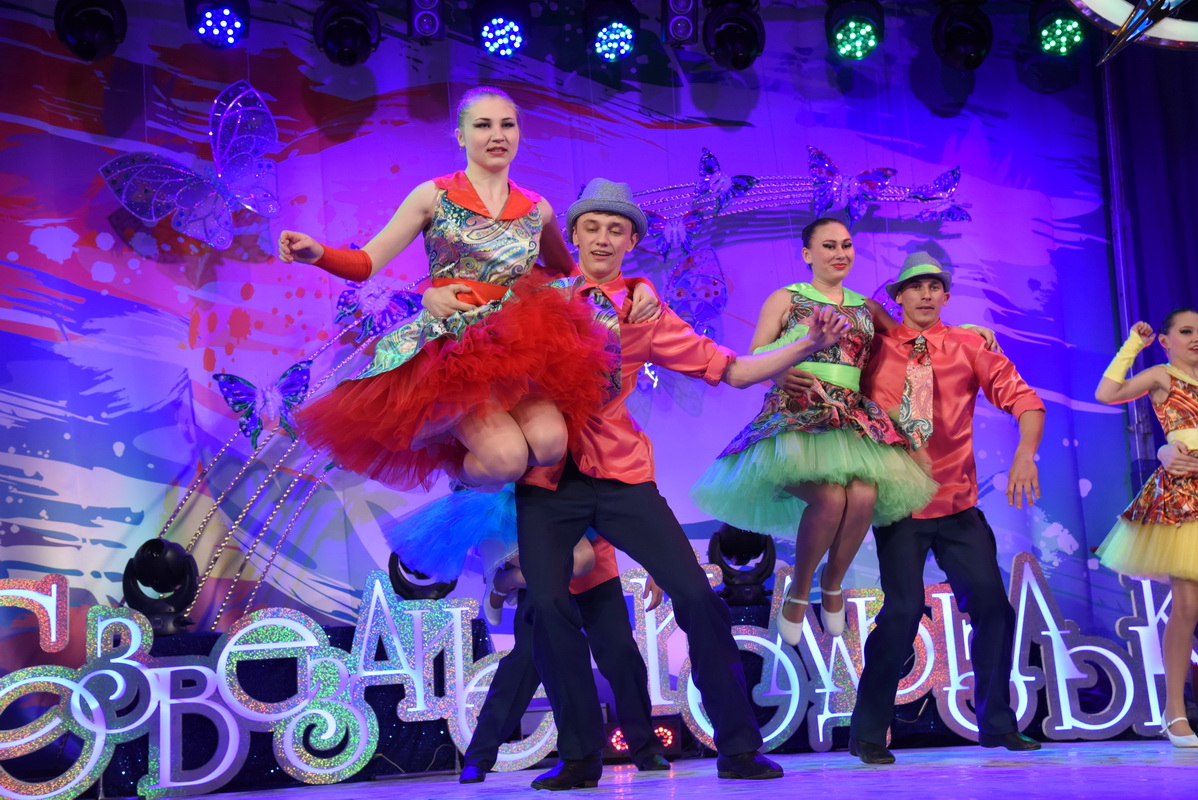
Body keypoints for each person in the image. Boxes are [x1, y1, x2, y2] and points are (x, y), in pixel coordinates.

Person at [514, 179, 851, 790]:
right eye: (592, 227)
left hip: (620, 475)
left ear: (632, 242)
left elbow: (734, 370)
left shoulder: (644, 313)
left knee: (697, 597)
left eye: (617, 230)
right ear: (574, 235)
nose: (603, 239)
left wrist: (809, 343)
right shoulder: (539, 295)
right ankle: (580, 757)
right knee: (548, 607)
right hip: (547, 478)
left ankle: (739, 748)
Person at [276, 86, 658, 493]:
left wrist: (639, 284)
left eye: (507, 125)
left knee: (549, 446)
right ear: (460, 136)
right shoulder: (433, 196)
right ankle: (460, 476)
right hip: (454, 350)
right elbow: (366, 263)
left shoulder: (537, 208)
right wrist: (318, 253)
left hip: (519, 346)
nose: (497, 135)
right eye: (483, 125)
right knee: (507, 460)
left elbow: (573, 274)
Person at [690, 218, 938, 646]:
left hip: (851, 416)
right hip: (798, 412)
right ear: (808, 254)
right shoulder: (787, 298)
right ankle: (800, 589)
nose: (840, 253)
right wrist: (778, 372)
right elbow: (755, 355)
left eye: (846, 245)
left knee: (864, 495)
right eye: (829, 245)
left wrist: (971, 332)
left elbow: (911, 339)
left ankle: (833, 583)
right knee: (830, 498)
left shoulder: (866, 307)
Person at [840, 252, 1046, 764]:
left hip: (957, 502)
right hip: (900, 504)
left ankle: (996, 724)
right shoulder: (874, 347)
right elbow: (843, 322)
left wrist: (1025, 455)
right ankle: (867, 731)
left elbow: (1025, 400)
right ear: (898, 297)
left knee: (994, 607)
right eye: (915, 286)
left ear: (947, 296)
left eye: (934, 286)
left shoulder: (969, 345)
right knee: (902, 611)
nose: (926, 294)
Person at [460, 537, 670, 783]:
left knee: (622, 654)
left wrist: (655, 565)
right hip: (544, 580)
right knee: (524, 663)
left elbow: (631, 520)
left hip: (596, 574)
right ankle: (478, 756)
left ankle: (646, 749)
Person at [1094, 308, 1198, 748]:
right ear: (1167, 341)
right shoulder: (1163, 376)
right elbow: (1107, 393)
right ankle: (1174, 711)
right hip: (1186, 497)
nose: (1195, 338)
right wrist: (1132, 346)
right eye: (1186, 331)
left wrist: (1163, 450)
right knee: (1187, 607)